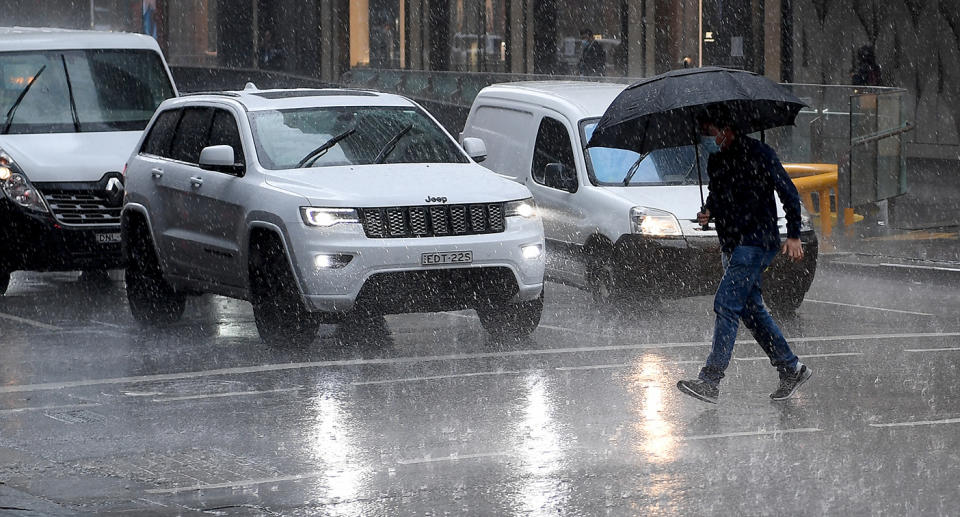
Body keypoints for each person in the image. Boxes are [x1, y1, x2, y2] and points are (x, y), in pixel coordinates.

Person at [676, 111, 812, 404]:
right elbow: (718, 194)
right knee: (751, 313)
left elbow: (788, 193)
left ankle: (710, 380)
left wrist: (793, 234)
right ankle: (791, 368)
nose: (707, 139)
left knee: (726, 304)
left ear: (727, 129)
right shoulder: (717, 160)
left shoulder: (760, 154)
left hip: (756, 241)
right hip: (732, 243)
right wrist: (708, 211)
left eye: (710, 132)